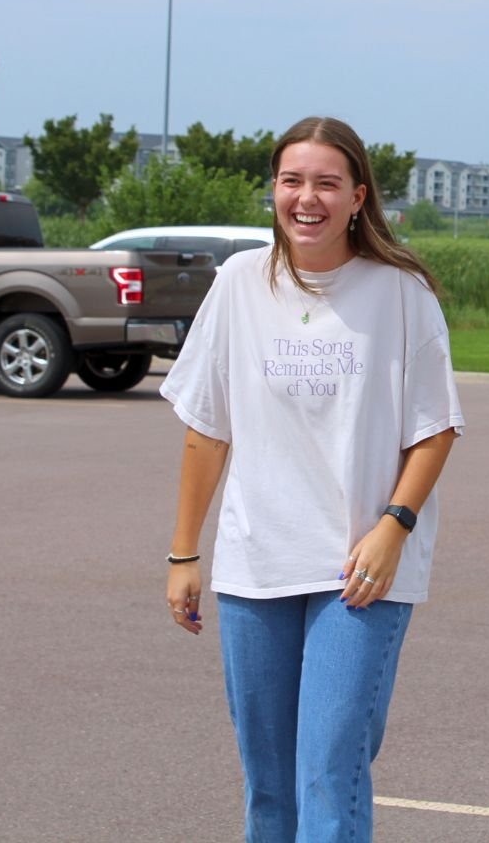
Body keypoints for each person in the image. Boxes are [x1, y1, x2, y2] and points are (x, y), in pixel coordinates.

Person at [162, 117, 464, 843]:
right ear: (273, 190)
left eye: (327, 183)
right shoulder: (240, 283)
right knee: (269, 783)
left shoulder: (399, 292)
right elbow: (208, 427)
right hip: (255, 563)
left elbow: (434, 427)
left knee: (329, 770)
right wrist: (182, 553)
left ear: (358, 196)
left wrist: (394, 527)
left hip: (359, 570)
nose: (307, 198)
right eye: (292, 181)